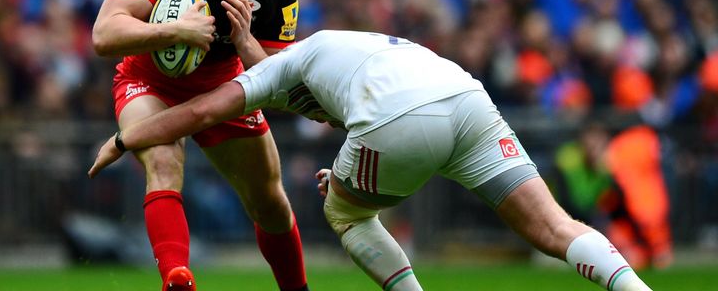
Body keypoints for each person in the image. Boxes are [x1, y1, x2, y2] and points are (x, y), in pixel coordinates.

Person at [89, 30, 655, 291]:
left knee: (347, 215)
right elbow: (346, 115)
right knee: (555, 227)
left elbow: (195, 114)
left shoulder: (284, 65)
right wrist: (350, 171)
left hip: (402, 118)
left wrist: (121, 141)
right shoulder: (349, 44)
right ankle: (632, 288)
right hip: (465, 96)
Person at [91, 0, 308, 291]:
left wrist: (245, 42)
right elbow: (104, 34)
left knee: (270, 202)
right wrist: (174, 31)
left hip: (223, 85)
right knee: (164, 163)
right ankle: (177, 278)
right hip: (148, 80)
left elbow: (277, 80)